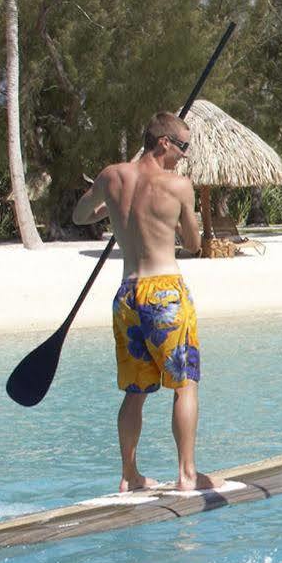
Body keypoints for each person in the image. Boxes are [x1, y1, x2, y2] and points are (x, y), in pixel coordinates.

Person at [75, 112, 214, 493]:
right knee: (185, 384)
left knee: (135, 391)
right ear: (163, 143)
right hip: (164, 291)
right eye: (182, 146)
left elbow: (80, 214)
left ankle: (129, 475)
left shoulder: (111, 176)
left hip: (126, 296)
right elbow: (193, 245)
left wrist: (110, 209)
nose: (185, 155)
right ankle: (187, 475)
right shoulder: (178, 185)